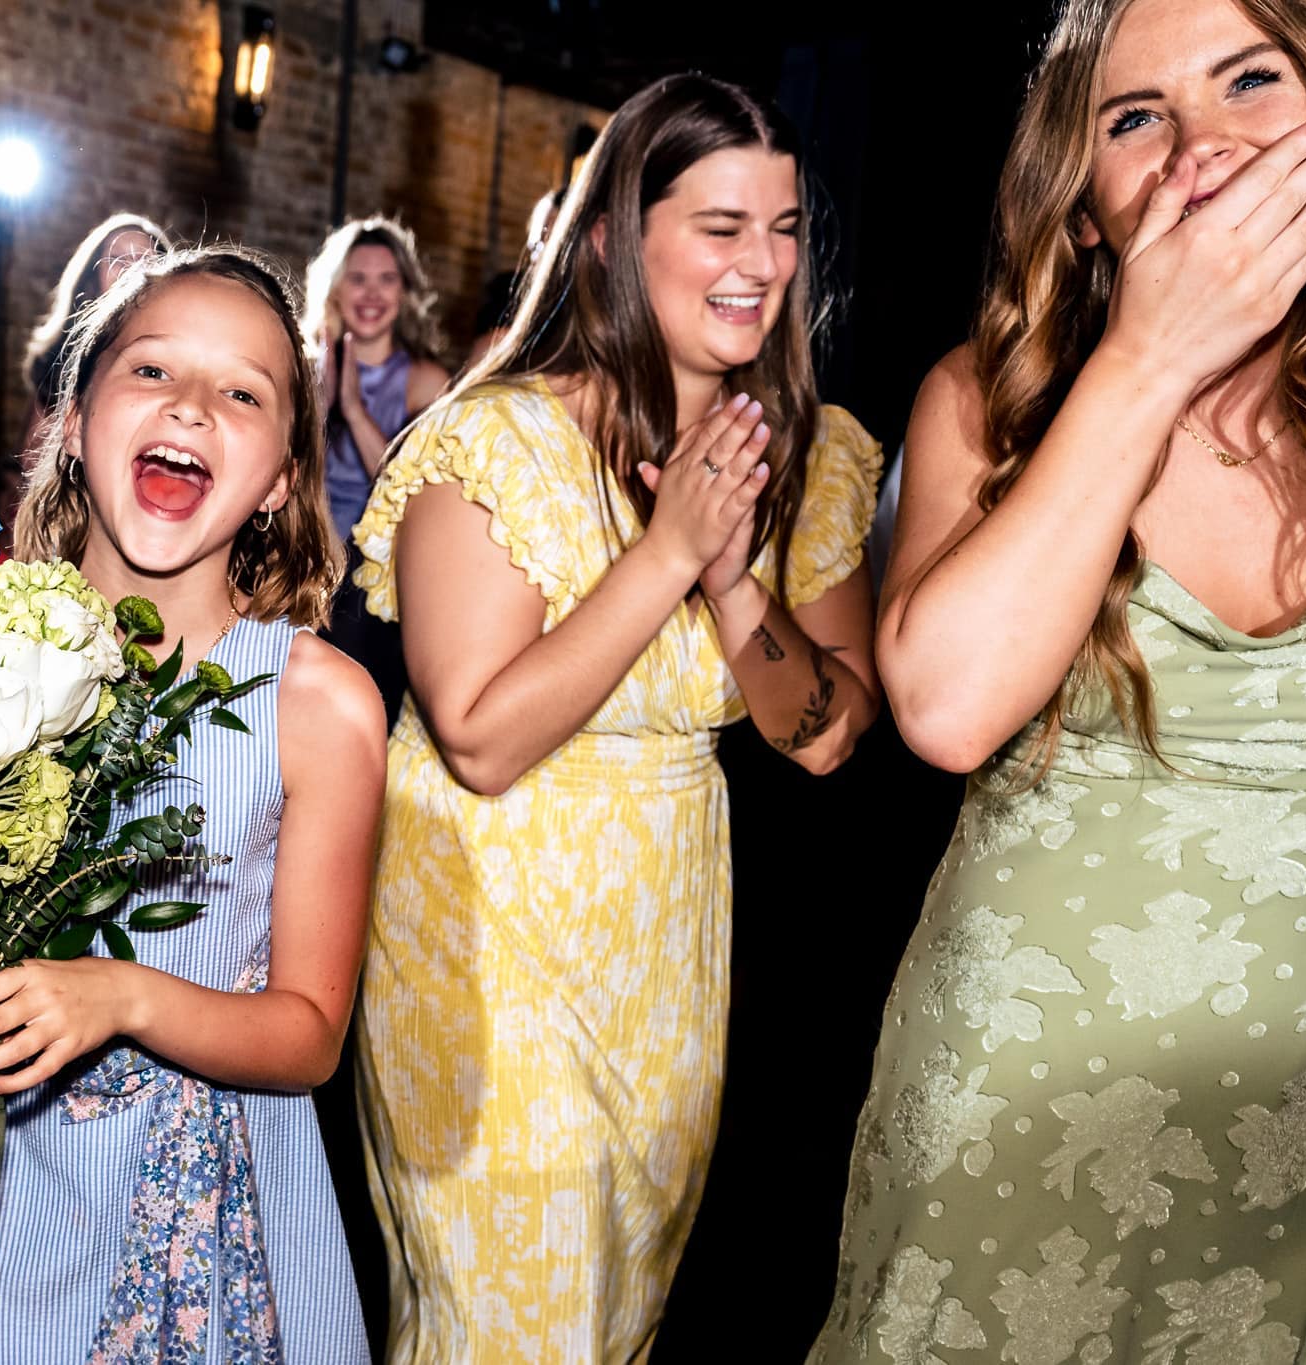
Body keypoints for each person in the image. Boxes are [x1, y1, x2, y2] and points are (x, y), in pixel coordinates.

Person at [812, 0, 1306, 1360]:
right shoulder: (987, 405)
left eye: (1249, 81)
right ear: (1086, 207)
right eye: (1134, 118)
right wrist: (1153, 356)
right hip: (1018, 1112)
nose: (1201, 147)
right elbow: (943, 707)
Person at [353, 74, 884, 1359]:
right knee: (512, 1324)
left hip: (666, 938)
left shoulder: (809, 455)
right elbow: (477, 737)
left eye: (783, 227)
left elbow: (822, 731)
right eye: (719, 227)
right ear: (609, 241)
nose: (760, 264)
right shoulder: (494, 446)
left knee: (614, 1317)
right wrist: (665, 554)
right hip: (484, 938)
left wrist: (726, 571)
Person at [0, 246, 384, 1363]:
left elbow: (311, 1035)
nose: (190, 405)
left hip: (189, 1192)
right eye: (152, 372)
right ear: (76, 421)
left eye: (241, 392)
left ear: (279, 475)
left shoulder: (314, 701)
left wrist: (118, 996)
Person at [301, 218, 451, 717]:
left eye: (386, 279)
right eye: (358, 278)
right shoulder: (302, 368)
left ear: (405, 290)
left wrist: (354, 408)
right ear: (335, 287)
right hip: (306, 556)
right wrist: (322, 401)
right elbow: (289, 474)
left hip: (378, 582)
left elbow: (411, 490)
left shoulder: (427, 381)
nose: (371, 293)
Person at [0, 213, 173, 539]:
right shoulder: (66, 357)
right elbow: (33, 452)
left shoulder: (179, 356)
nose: (134, 268)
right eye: (119, 260)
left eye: (146, 259)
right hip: (71, 517)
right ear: (93, 280)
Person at [461, 190, 560, 374]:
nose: (543, 242)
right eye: (541, 231)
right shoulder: (506, 289)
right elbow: (482, 354)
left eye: (554, 233)